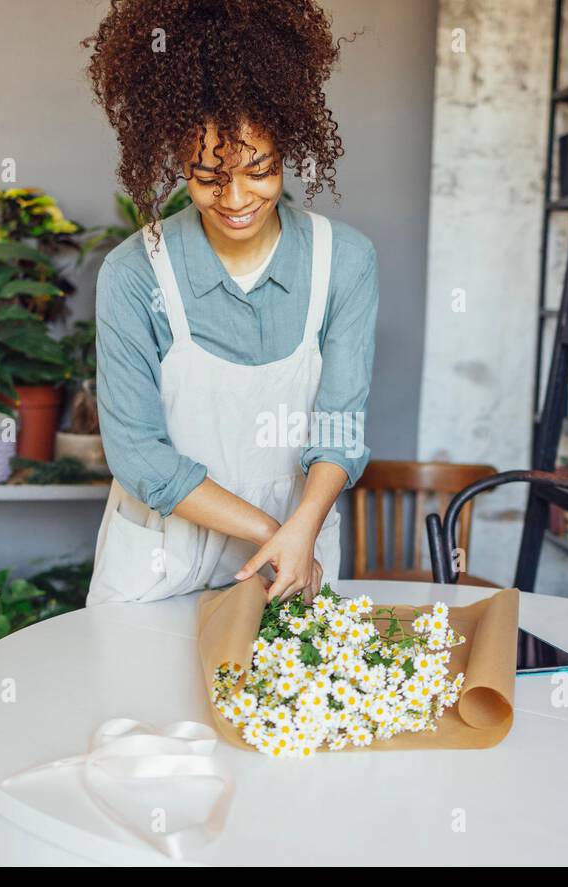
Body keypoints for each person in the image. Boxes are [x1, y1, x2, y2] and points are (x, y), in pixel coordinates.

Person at [83, 0, 377, 606]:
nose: (236, 198)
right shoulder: (134, 274)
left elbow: (340, 428)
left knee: (281, 701)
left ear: (287, 148)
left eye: (260, 170)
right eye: (209, 176)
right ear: (176, 162)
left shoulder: (343, 261)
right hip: (160, 565)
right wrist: (271, 531)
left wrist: (303, 530)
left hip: (296, 557)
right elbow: (138, 456)